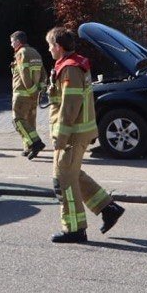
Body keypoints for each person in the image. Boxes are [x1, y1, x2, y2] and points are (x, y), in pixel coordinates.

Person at [45, 26, 125, 243]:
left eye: (50, 46)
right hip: (77, 133)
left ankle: (75, 229)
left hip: (71, 135)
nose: (49, 49)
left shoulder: (70, 69)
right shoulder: (73, 64)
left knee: (64, 180)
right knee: (73, 174)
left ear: (58, 46)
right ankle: (108, 208)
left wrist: (60, 137)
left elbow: (69, 107)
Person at [9, 31, 46, 159]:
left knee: (18, 120)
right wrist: (40, 90)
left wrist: (32, 91)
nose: (11, 44)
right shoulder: (35, 53)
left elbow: (24, 74)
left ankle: (35, 143)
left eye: (12, 42)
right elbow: (43, 73)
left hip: (22, 94)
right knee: (30, 121)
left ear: (18, 42)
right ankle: (28, 148)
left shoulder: (21, 53)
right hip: (33, 95)